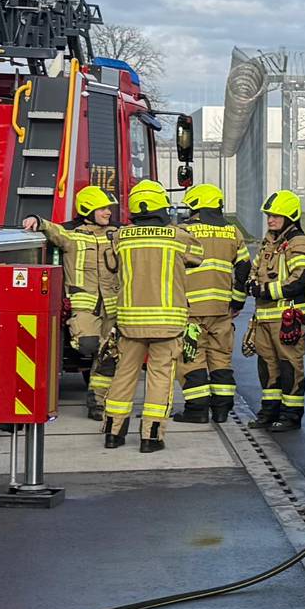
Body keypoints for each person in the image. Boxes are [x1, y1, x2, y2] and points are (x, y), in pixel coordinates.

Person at [101, 180, 191, 452]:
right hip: (168, 324)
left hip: (130, 323)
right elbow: (198, 257)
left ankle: (112, 434)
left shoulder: (120, 237)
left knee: (123, 375)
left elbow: (110, 264)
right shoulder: (178, 236)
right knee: (160, 378)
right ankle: (151, 438)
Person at [22, 184, 118, 419]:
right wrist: (36, 220)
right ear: (88, 209)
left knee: (108, 354)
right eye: (103, 208)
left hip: (113, 306)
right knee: (88, 345)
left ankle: (97, 402)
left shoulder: (117, 234)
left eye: (109, 208)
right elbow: (52, 230)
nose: (108, 212)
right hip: (85, 306)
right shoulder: (71, 236)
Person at [241, 190, 305, 431]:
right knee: (267, 368)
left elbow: (299, 279)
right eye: (269, 216)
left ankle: (291, 415)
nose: (270, 220)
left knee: (289, 367)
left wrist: (263, 290)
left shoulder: (298, 243)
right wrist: (250, 284)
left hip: (287, 320)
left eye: (276, 216)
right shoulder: (268, 243)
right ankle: (269, 411)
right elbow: (255, 271)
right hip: (263, 319)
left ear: (290, 217)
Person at [178, 183, 247, 427]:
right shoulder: (233, 232)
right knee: (221, 357)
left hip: (191, 312)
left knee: (191, 357)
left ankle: (196, 410)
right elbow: (244, 266)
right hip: (222, 311)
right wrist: (238, 299)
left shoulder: (184, 231)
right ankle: (221, 411)